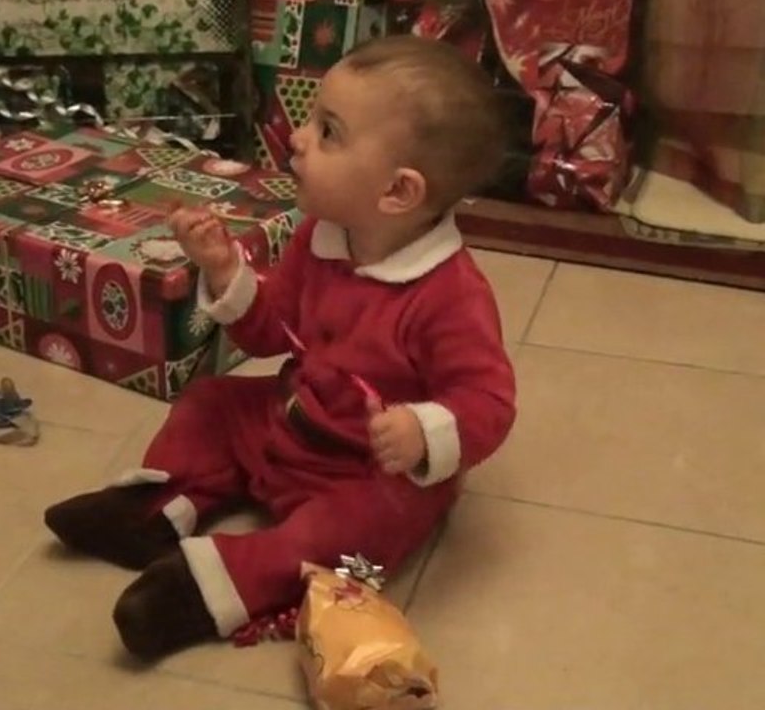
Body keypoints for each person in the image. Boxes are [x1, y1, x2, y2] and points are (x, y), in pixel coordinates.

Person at [45, 35, 516, 661]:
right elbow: (270, 334)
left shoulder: (450, 295)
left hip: (364, 469)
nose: (296, 137)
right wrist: (225, 273)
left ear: (398, 192)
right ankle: (157, 508)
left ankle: (217, 584)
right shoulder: (321, 236)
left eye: (328, 132)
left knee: (360, 529)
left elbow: (489, 401)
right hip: (290, 417)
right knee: (211, 402)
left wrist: (423, 431)